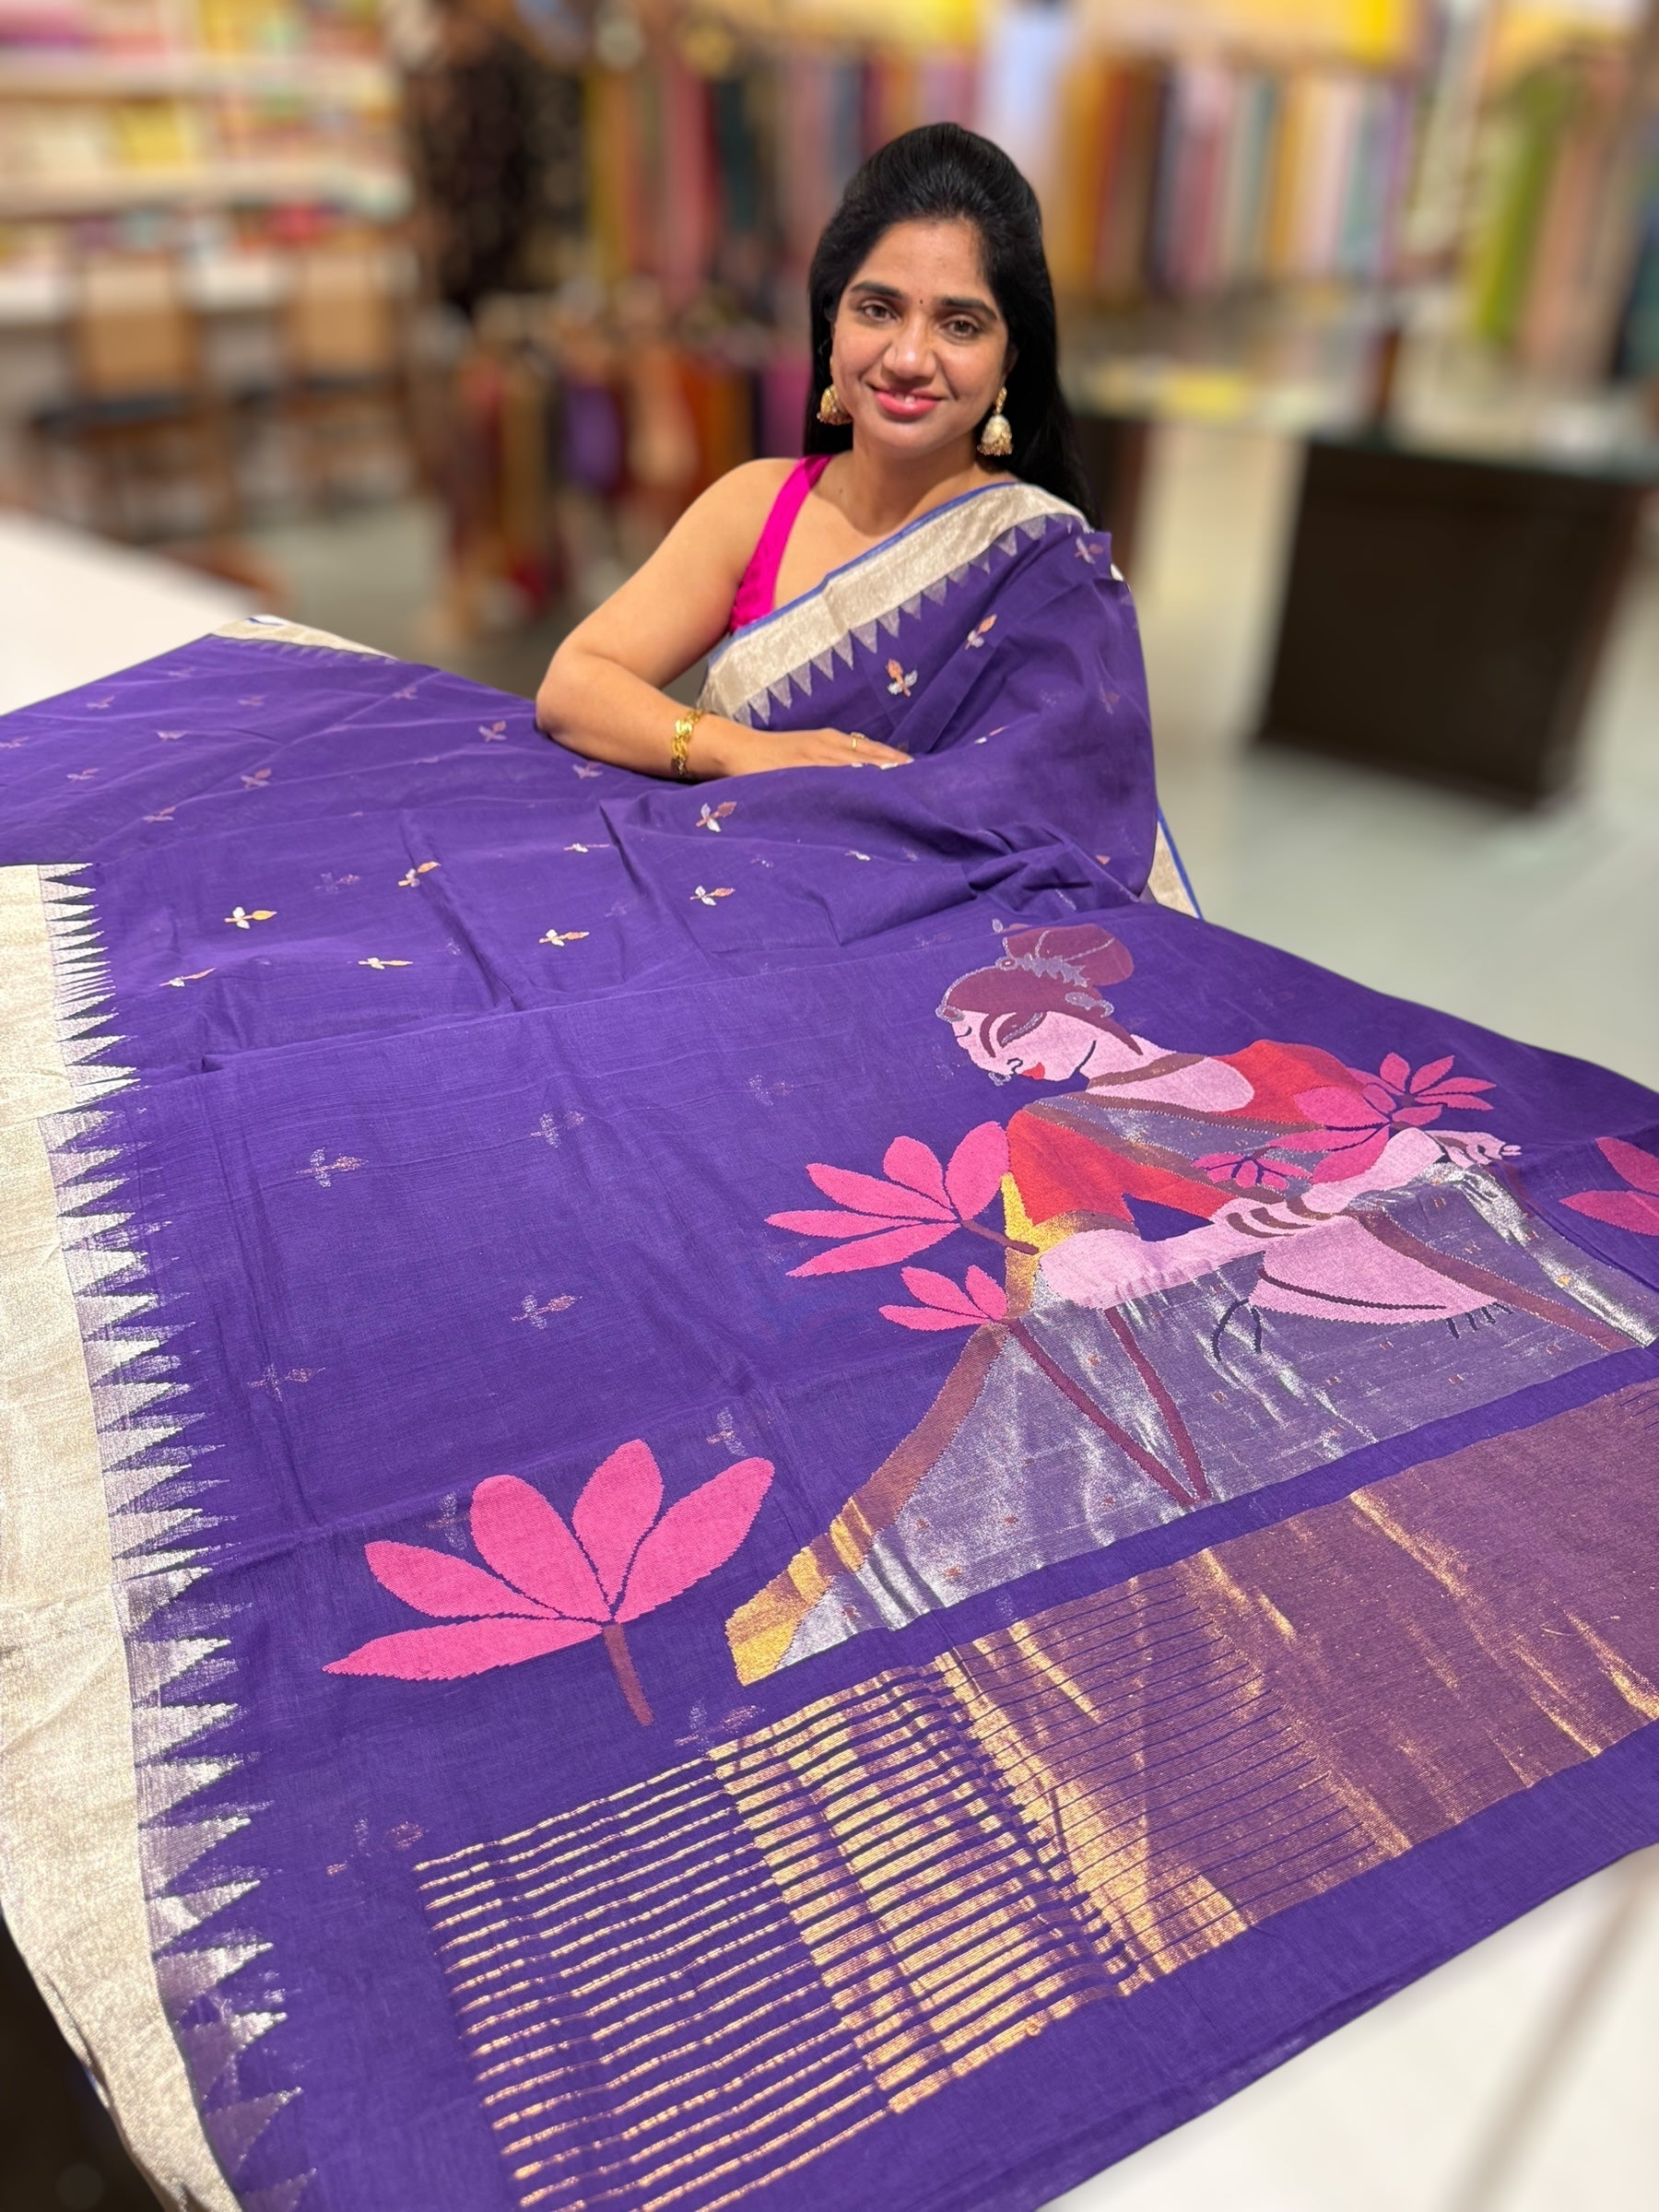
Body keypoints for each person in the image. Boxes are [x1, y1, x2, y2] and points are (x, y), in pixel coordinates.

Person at [726, 923, 1658, 1685]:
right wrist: (1284, 1217)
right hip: (1317, 1319)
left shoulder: (1281, 1059)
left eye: (1003, 1042)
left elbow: (1393, 1149)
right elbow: (1096, 1278)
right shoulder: (1056, 1127)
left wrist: (1426, 1158)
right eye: (985, 1060)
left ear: (1055, 1010)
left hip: (1481, 1268)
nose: (1003, 1072)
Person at [534, 123, 1102, 783]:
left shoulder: (1043, 560)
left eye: (959, 325)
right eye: (878, 310)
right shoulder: (758, 508)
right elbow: (573, 684)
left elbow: (1066, 810)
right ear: (832, 322)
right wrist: (737, 750)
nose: (909, 358)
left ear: (1010, 357)